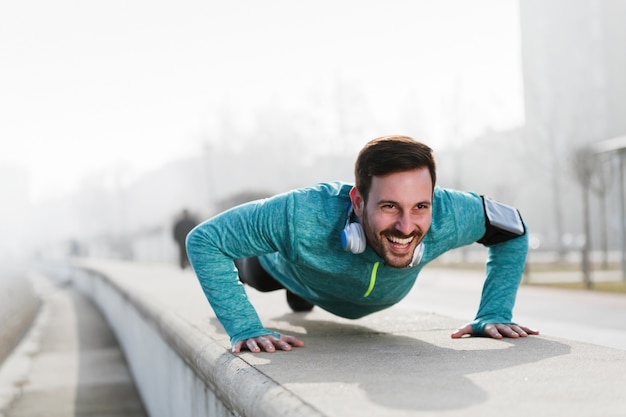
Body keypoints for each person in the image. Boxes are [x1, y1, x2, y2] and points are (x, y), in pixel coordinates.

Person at [186, 135, 539, 353]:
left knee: (306, 293)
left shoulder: (452, 212)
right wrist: (244, 326)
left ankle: (304, 296)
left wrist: (494, 312)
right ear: (357, 201)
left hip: (338, 289)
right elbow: (204, 240)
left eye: (420, 207)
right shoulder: (298, 214)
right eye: (389, 206)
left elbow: (514, 229)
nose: (406, 225)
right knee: (260, 277)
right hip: (283, 269)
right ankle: (295, 286)